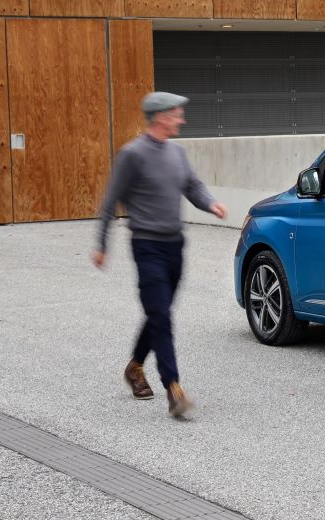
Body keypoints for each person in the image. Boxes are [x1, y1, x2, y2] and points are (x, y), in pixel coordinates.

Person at [91, 92, 227, 418]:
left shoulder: (177, 153)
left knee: (158, 313)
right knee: (162, 317)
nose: (182, 119)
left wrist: (211, 203)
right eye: (177, 114)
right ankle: (174, 389)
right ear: (161, 116)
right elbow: (110, 202)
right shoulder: (132, 155)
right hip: (147, 246)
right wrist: (102, 244)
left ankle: (135, 367)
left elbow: (192, 186)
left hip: (174, 246)